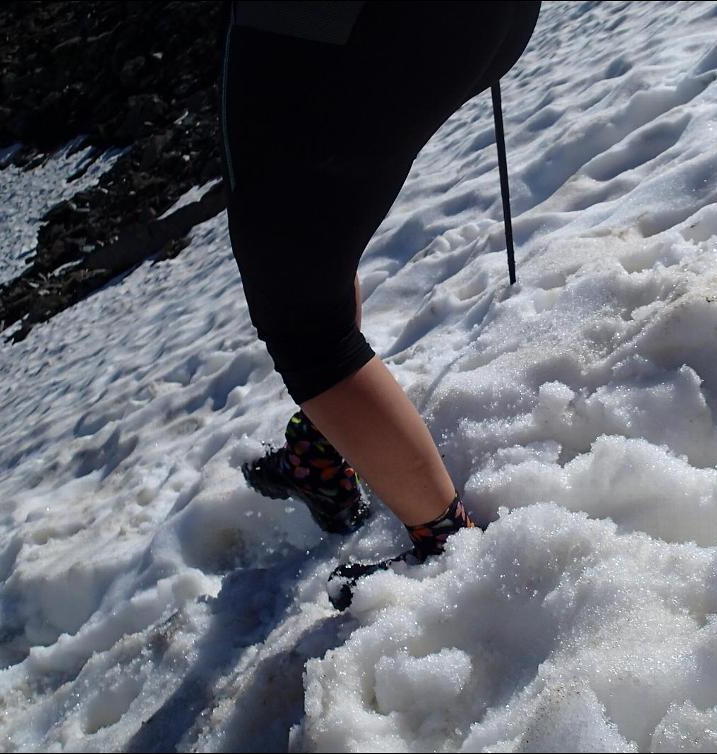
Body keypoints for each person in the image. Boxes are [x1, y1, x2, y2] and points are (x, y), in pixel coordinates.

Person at [219, 1, 541, 602]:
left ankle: (450, 549)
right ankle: (325, 448)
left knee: (302, 316)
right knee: (316, 239)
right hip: (482, 20)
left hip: (342, 24)